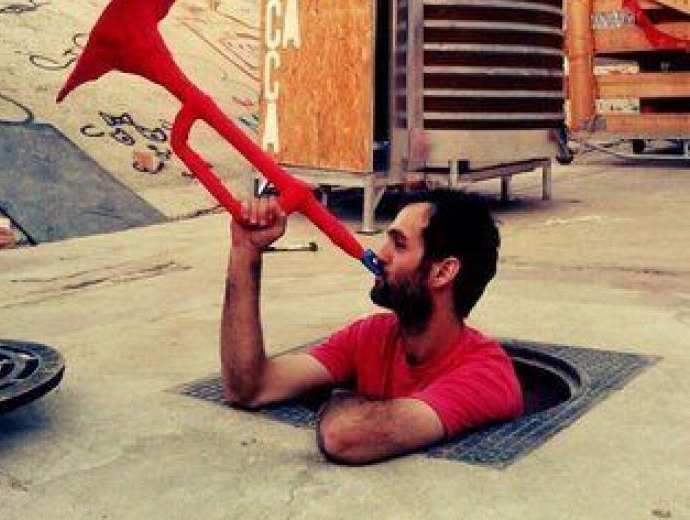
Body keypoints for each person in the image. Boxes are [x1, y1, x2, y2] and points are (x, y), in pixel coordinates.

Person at [221, 188, 524, 464]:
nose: (380, 254)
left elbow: (343, 435)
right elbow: (249, 387)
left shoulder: (487, 374)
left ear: (443, 272)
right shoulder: (372, 335)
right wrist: (245, 251)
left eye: (399, 245)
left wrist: (340, 398)